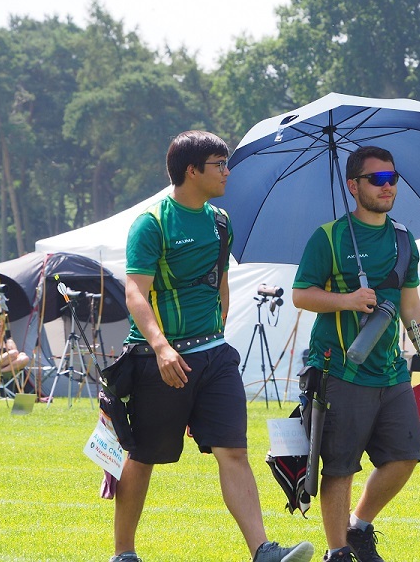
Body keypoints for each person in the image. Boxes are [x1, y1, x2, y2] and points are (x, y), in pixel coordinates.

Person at [114, 130, 313, 562]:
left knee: (234, 451)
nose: (227, 173)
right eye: (219, 165)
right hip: (160, 360)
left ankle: (263, 551)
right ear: (191, 171)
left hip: (215, 357)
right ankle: (123, 554)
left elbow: (220, 286)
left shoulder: (221, 221)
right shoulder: (152, 223)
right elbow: (134, 292)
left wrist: (215, 343)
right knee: (143, 455)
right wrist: (162, 348)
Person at [293, 145, 420, 562]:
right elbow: (301, 295)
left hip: (391, 371)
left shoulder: (404, 239)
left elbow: (410, 304)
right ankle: (337, 551)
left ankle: (358, 526)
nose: (387, 186)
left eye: (392, 178)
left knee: (406, 453)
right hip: (339, 369)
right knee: (340, 466)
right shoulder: (329, 237)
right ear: (353, 186)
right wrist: (348, 300)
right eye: (377, 179)